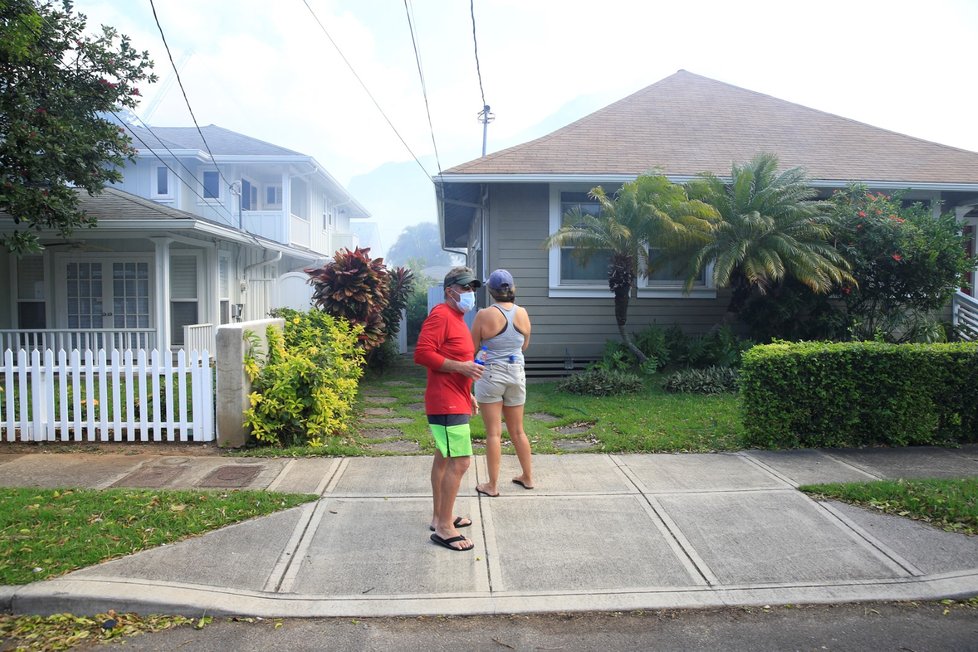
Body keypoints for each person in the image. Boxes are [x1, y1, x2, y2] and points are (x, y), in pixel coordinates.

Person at [414, 266, 484, 552]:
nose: (470, 293)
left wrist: (469, 394)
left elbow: (457, 359)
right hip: (445, 402)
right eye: (465, 288)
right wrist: (462, 367)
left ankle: (440, 516)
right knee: (461, 461)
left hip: (456, 398)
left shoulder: (458, 317)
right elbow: (422, 353)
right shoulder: (441, 315)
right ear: (449, 291)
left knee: (445, 456)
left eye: (472, 289)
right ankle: (444, 528)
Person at [471, 269, 534, 497]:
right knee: (518, 430)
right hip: (517, 373)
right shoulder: (523, 313)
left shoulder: (484, 314)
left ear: (491, 291)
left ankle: (493, 486)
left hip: (491, 375)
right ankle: (527, 477)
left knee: (493, 434)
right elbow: (524, 345)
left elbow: (473, 347)